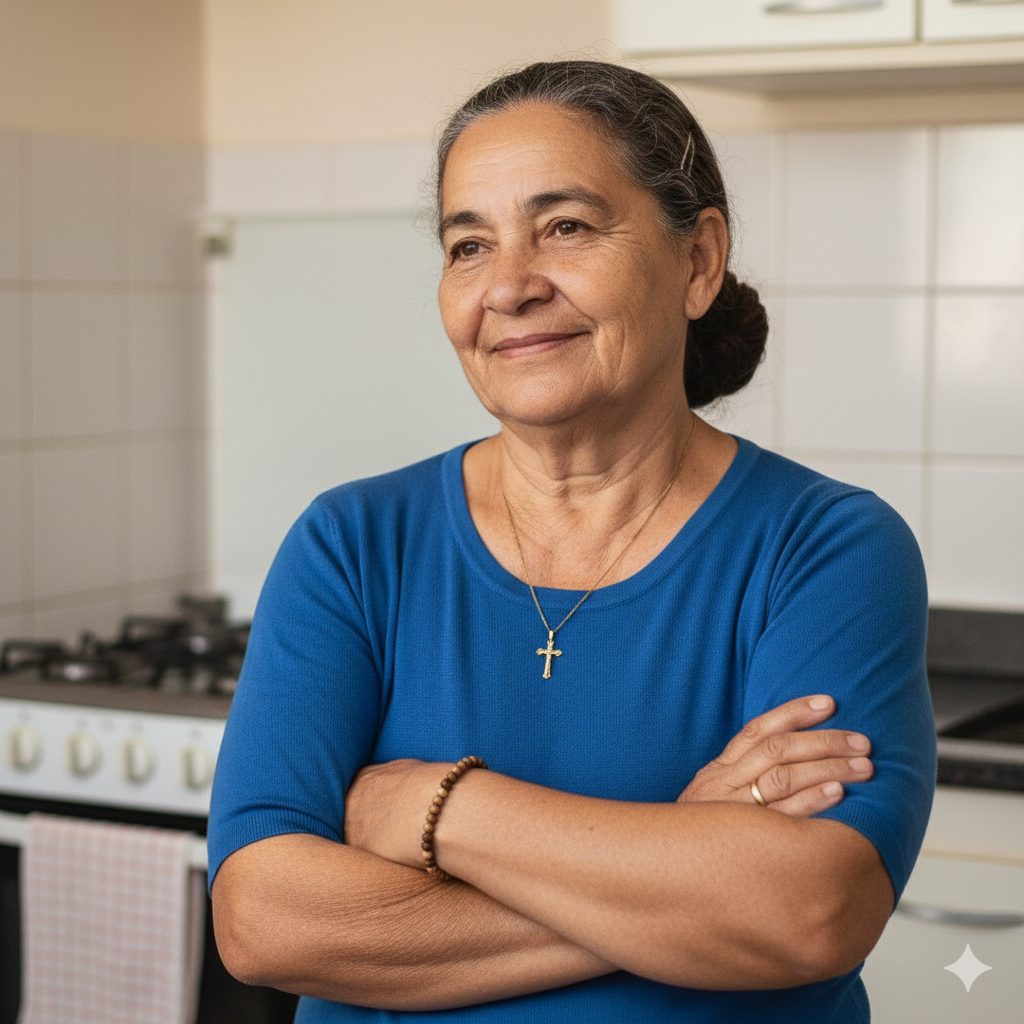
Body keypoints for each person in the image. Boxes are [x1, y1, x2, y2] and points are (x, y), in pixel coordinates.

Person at [208, 60, 936, 1023]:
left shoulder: (827, 547)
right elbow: (266, 924)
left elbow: (807, 911)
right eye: (468, 245)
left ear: (698, 261)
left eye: (566, 227)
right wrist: (683, 857)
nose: (508, 286)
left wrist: (437, 809)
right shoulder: (351, 544)